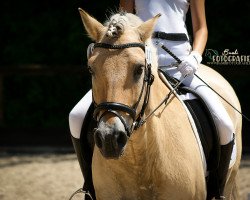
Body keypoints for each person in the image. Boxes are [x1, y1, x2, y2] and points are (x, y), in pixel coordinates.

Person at [69, 0, 235, 199]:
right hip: (136, 60)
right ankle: (90, 188)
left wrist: (195, 57)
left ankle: (216, 191)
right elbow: (123, 25)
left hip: (181, 64)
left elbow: (201, 29)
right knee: (76, 116)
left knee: (224, 124)